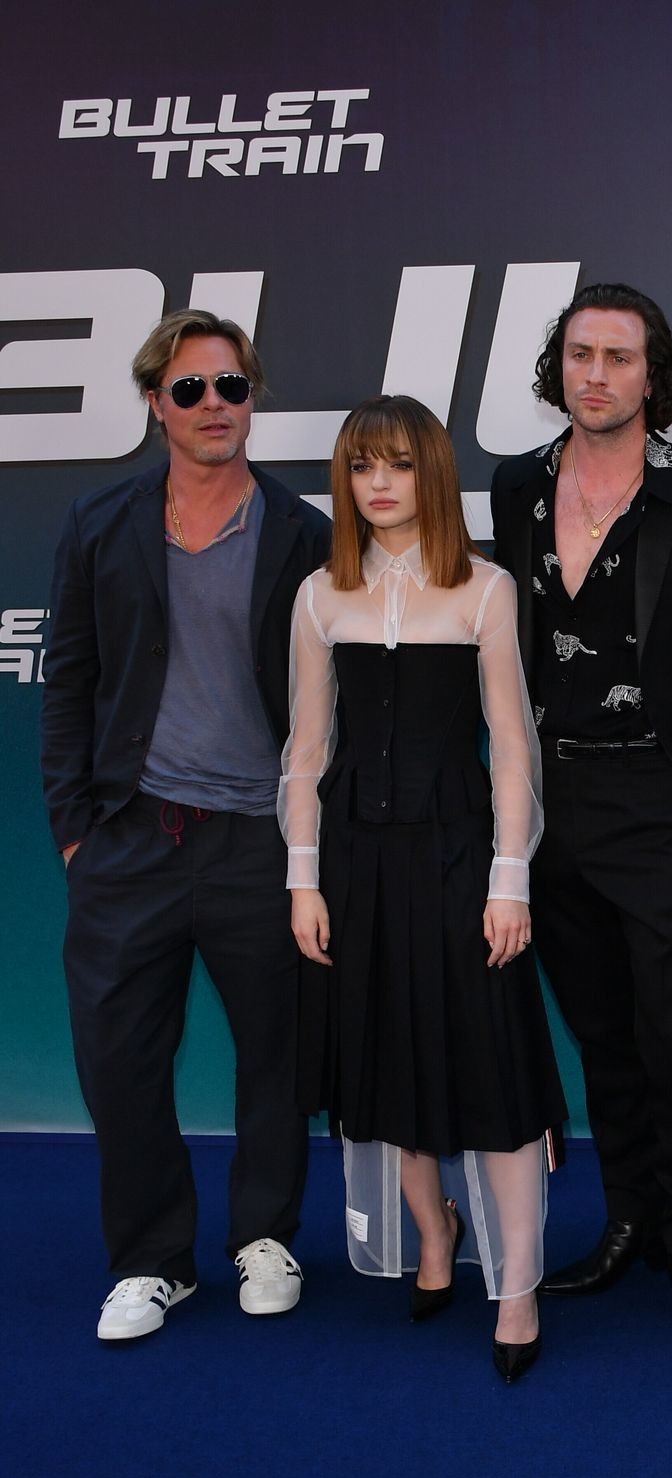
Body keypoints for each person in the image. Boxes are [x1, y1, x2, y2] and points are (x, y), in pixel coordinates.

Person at [489, 283, 672, 1350]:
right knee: (603, 1034)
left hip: (661, 799)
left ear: (653, 375)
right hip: (550, 800)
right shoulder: (517, 486)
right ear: (557, 369)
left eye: (618, 356)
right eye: (580, 355)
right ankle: (626, 1222)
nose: (596, 374)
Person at [42, 309, 331, 1342]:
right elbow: (68, 681)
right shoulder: (99, 524)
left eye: (232, 387)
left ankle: (264, 1236)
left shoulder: (304, 533)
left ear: (254, 401)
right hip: (131, 839)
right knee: (118, 1059)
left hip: (260, 839)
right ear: (154, 404)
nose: (215, 406)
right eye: (191, 389)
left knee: (277, 1056)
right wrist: (75, 829)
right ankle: (151, 1261)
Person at [281, 396, 565, 1383]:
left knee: (493, 1070)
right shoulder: (319, 596)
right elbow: (306, 750)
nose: (379, 483)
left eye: (398, 463)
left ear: (432, 474)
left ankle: (517, 1287)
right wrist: (303, 881)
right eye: (362, 466)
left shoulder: (485, 589)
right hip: (356, 864)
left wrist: (509, 880)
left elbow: (512, 747)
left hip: (460, 858)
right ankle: (434, 1236)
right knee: (384, 1063)